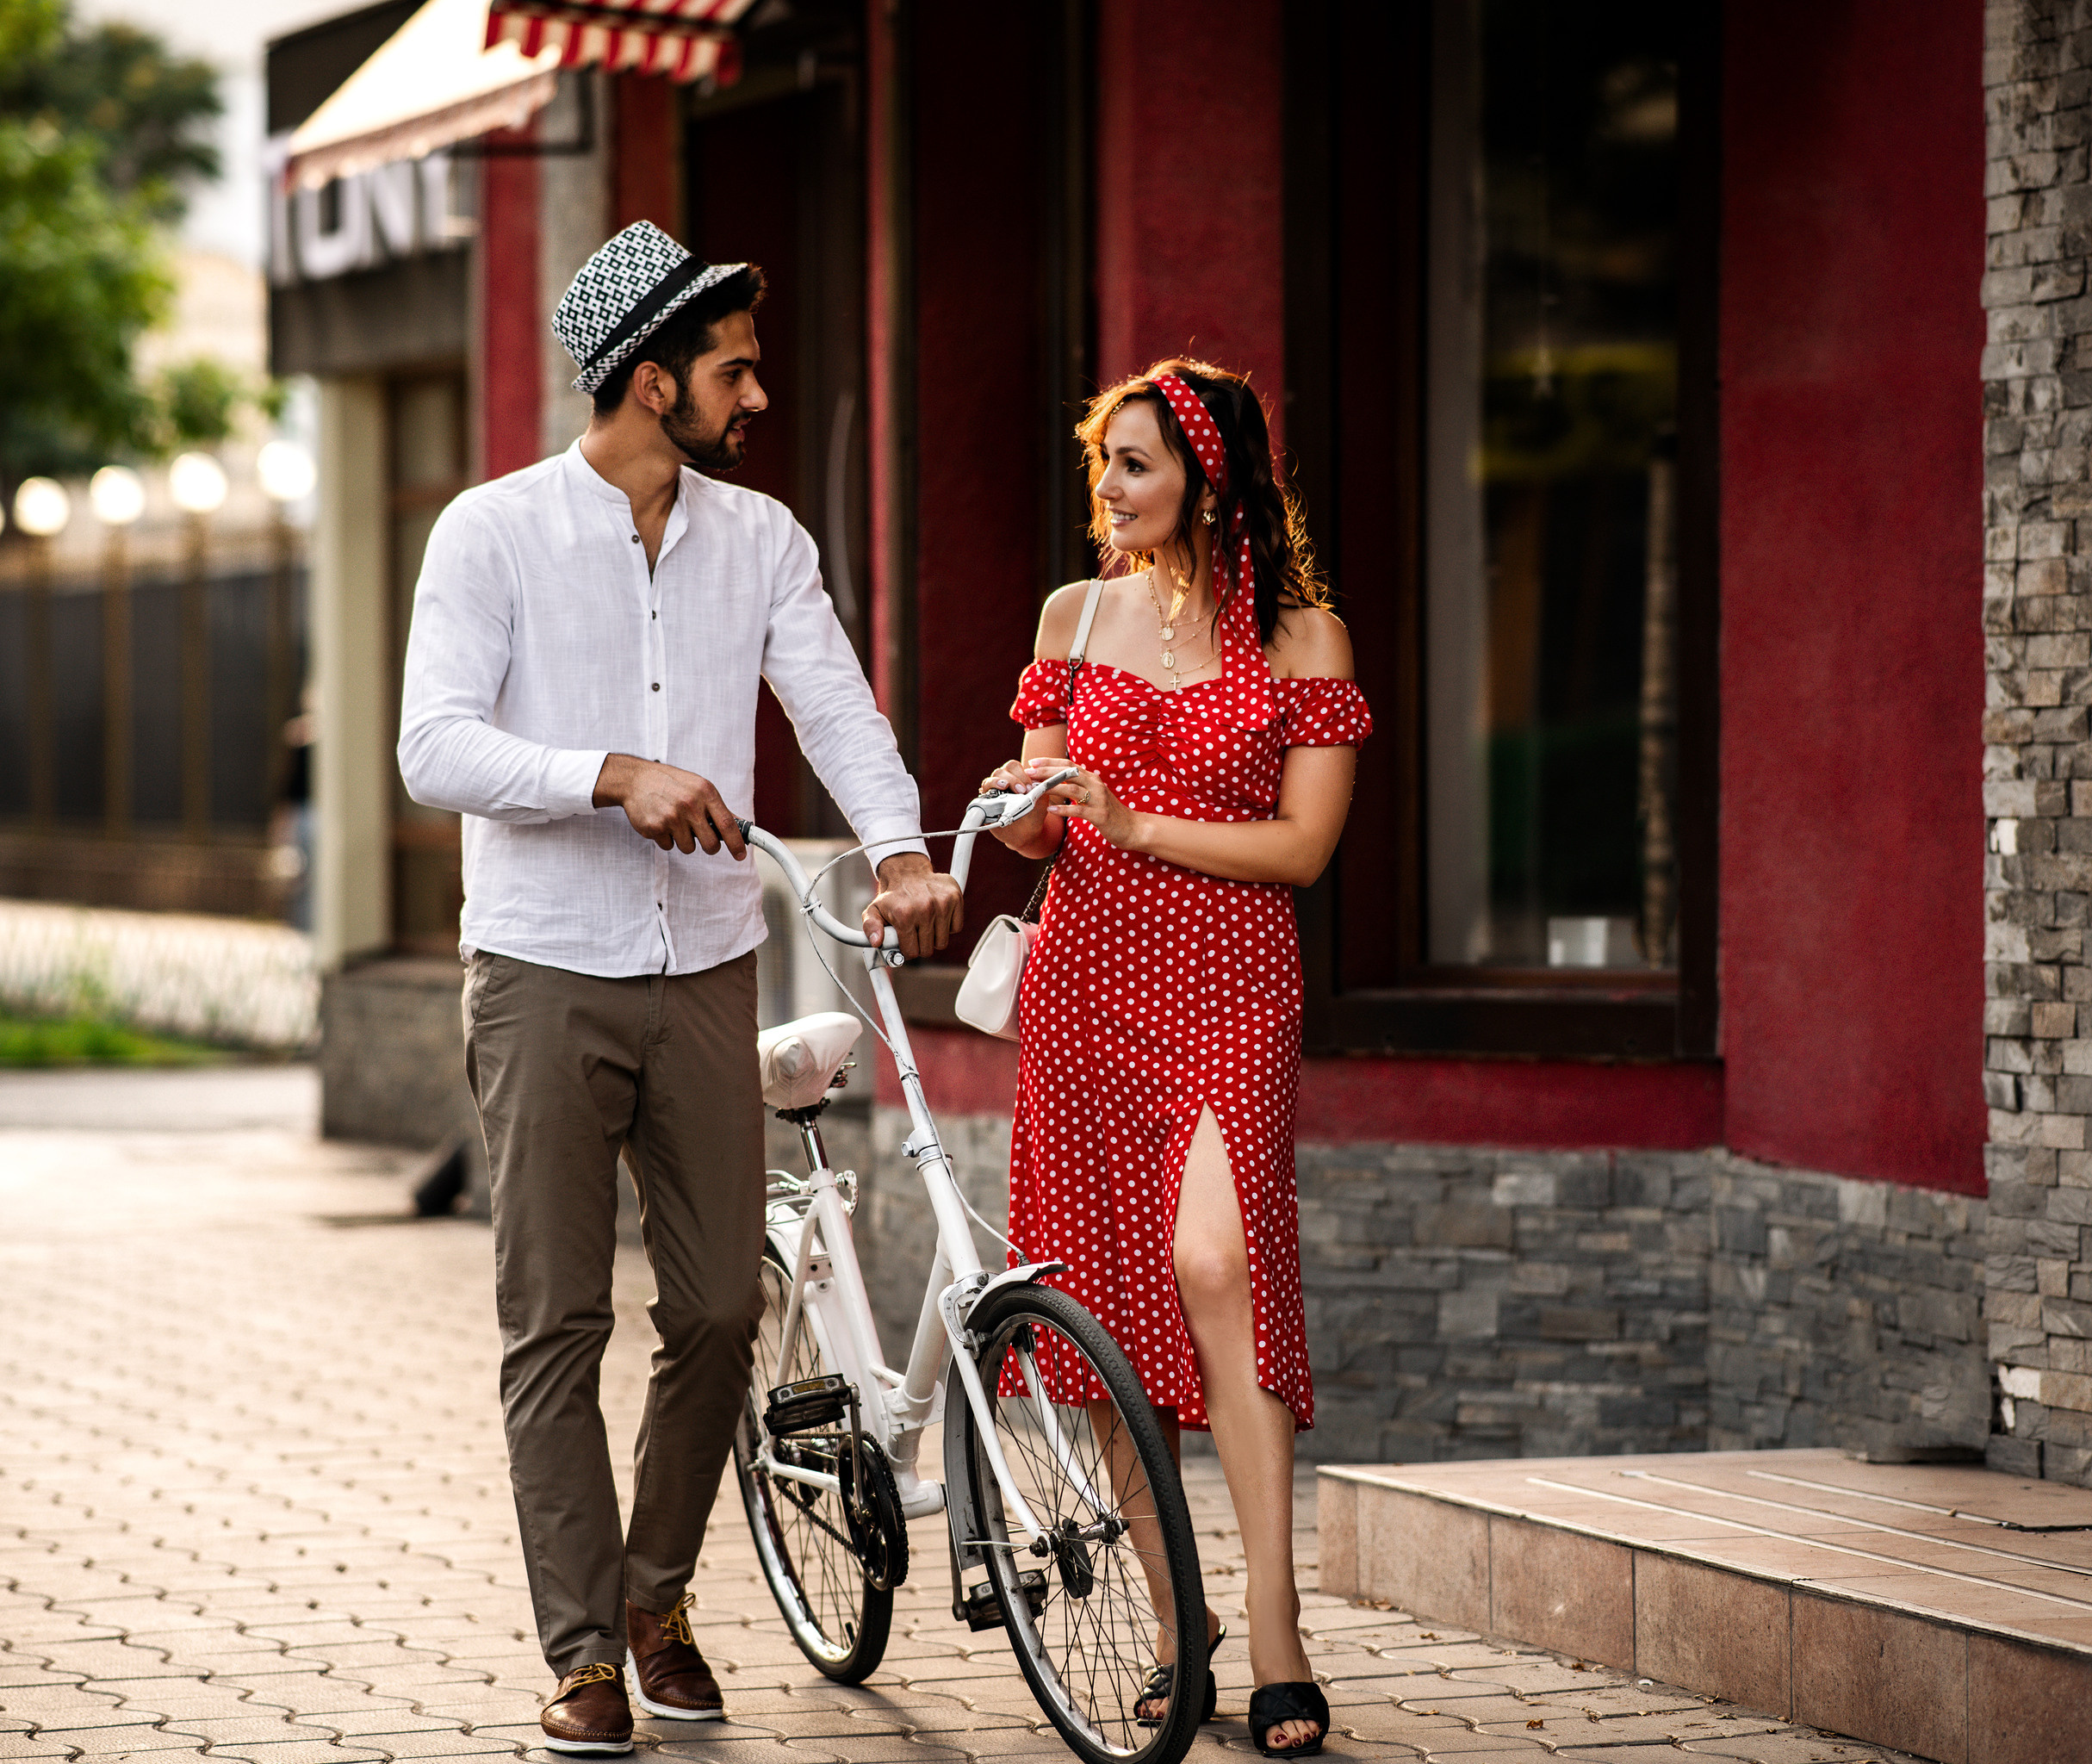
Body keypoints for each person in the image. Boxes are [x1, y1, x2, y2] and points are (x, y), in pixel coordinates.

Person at [397, 221, 961, 1757]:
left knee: (718, 1306)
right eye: (733, 370)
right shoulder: (492, 533)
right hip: (542, 969)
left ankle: (658, 1597)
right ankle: (587, 1652)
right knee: (557, 1321)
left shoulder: (763, 539)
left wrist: (901, 851)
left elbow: (834, 706)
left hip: (707, 963)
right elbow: (432, 745)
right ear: (651, 381)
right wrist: (611, 775)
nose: (757, 394)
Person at [981, 360, 1369, 1760]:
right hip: (1085, 980)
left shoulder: (1304, 639)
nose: (1109, 489)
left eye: (1135, 463)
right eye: (1104, 462)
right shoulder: (1073, 616)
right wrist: (1026, 812)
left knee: (1217, 1262)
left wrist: (1135, 823)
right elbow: (1042, 814)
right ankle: (1172, 1626)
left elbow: (1303, 849)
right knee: (1100, 1303)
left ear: (1209, 479)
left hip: (1228, 984)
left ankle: (1276, 1623)